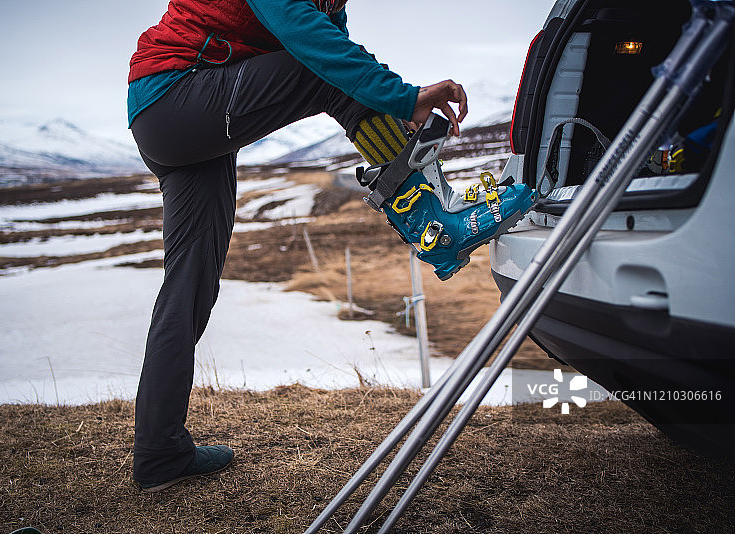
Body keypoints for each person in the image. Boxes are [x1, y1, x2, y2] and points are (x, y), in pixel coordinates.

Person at [128, 0, 532, 492]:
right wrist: (405, 98)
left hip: (177, 115)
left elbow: (338, 48)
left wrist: (391, 104)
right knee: (322, 68)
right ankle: (433, 224)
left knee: (189, 288)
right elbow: (314, 48)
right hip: (176, 95)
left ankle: (159, 453)